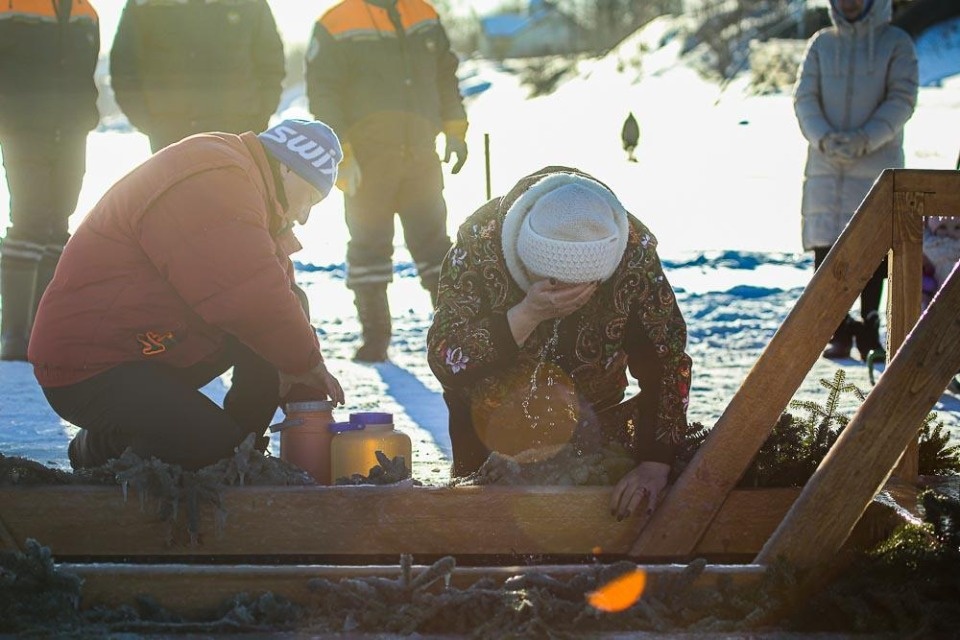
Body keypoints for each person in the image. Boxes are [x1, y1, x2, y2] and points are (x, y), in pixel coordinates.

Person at [28, 119, 346, 471]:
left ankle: (241, 450)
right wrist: (305, 364)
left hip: (148, 346)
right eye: (311, 199)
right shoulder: (215, 176)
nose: (303, 217)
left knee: (287, 312)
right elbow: (249, 294)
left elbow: (278, 297)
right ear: (287, 168)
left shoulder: (247, 184)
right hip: (91, 365)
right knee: (206, 445)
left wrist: (300, 371)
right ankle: (100, 449)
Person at [426, 167, 693, 520]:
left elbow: (667, 356)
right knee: (485, 531)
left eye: (584, 286)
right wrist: (524, 315)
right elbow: (446, 355)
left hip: (595, 425)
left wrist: (656, 461)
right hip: (485, 430)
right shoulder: (480, 241)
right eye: (554, 283)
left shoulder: (632, 250)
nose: (568, 298)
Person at [305, 0, 469, 363]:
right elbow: (323, 94)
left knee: (435, 249)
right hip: (367, 161)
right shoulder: (335, 23)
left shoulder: (423, 14)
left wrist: (455, 129)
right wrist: (341, 154)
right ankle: (375, 337)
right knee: (368, 248)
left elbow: (446, 74)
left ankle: (456, 333)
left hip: (422, 155)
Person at [794, 0, 918, 361]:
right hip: (826, 165)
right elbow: (804, 99)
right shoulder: (821, 44)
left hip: (876, 162)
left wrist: (866, 138)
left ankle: (870, 331)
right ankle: (837, 330)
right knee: (825, 247)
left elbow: (902, 98)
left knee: (874, 249)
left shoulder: (896, 43)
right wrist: (824, 137)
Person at [0, 0, 100, 361]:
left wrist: (86, 115)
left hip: (72, 131)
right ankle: (13, 335)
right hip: (22, 128)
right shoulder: (10, 5)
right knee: (28, 222)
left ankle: (46, 329)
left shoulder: (87, 13)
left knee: (59, 225)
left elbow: (86, 72)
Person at [109, 0, 285, 153]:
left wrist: (259, 119)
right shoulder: (144, 5)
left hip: (237, 132)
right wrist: (150, 123)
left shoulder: (252, 4)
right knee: (179, 193)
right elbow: (124, 67)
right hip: (170, 137)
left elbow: (271, 64)